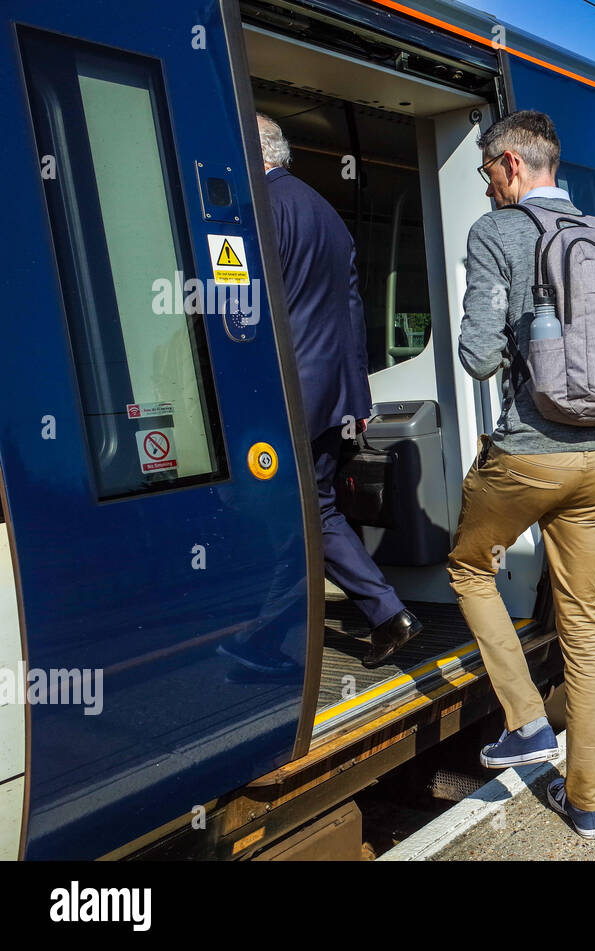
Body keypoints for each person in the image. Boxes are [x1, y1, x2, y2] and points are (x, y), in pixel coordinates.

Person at [448, 110, 595, 839]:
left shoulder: (497, 233)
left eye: (487, 171)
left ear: (513, 166)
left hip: (528, 453)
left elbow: (480, 357)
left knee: (466, 566)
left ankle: (525, 720)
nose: (486, 186)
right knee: (584, 625)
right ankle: (587, 804)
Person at [256, 113, 422, 669]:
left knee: (283, 512)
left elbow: (243, 311)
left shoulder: (259, 210)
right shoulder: (325, 211)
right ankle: (388, 614)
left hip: (282, 393)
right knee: (317, 508)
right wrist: (359, 397)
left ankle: (263, 638)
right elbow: (351, 310)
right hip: (332, 391)